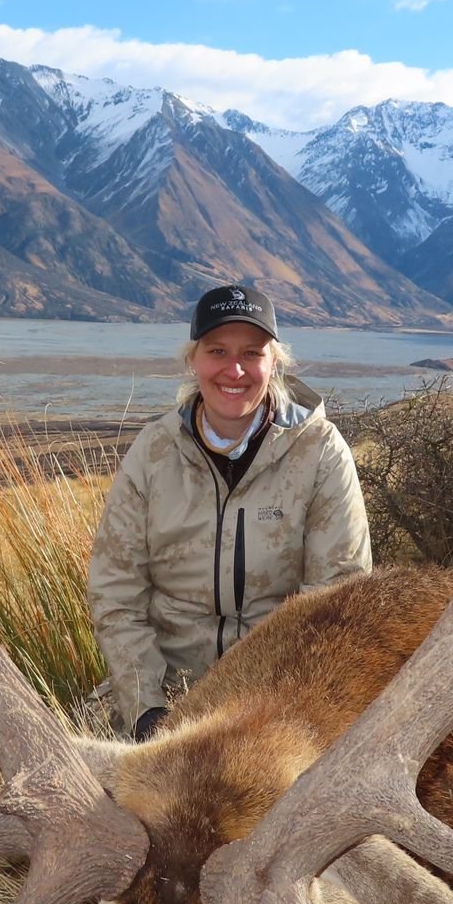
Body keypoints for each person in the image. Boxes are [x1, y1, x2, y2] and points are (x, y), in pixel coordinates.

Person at [87, 284, 372, 740]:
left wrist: (276, 717)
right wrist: (147, 710)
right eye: (217, 350)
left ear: (274, 361)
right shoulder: (153, 451)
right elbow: (116, 595)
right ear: (193, 360)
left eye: (252, 353)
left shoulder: (320, 452)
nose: (234, 370)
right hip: (163, 698)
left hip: (277, 706)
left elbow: (336, 599)